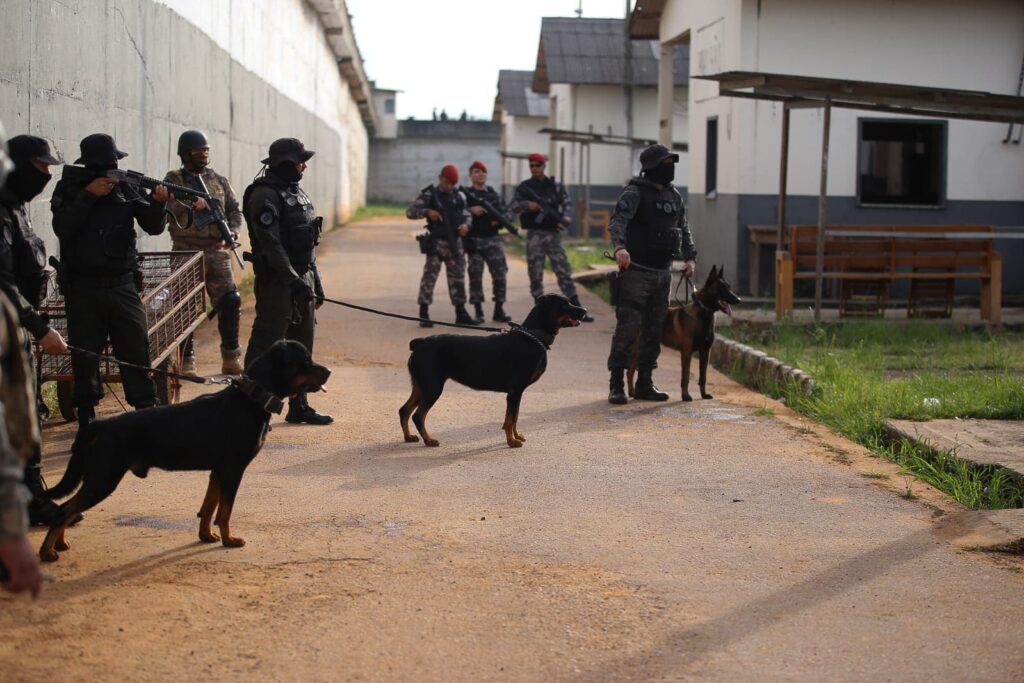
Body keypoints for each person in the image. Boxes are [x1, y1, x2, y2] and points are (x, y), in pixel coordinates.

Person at [50, 134, 170, 429]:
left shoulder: (127, 186)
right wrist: (88, 195)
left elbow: (152, 227)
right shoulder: (70, 188)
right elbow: (63, 227)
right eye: (108, 164)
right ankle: (87, 418)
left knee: (135, 349)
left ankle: (144, 412)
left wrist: (158, 204)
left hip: (121, 284)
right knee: (85, 354)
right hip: (83, 288)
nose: (113, 169)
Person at [0, 134, 68, 526]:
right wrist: (40, 328)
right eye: (41, 166)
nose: (46, 174)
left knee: (26, 415)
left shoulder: (16, 207)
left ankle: (31, 498)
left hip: (16, 327)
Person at [241, 138, 331, 425]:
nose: (304, 166)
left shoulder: (296, 192)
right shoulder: (263, 195)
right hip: (277, 282)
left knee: (302, 344)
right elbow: (271, 245)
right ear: (286, 163)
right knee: (267, 342)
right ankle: (247, 406)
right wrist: (293, 280)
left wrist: (315, 282)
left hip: (302, 277)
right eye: (300, 161)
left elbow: (309, 242)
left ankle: (299, 405)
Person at [606, 144, 697, 404]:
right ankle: (616, 384)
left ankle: (645, 382)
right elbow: (618, 222)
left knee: (654, 330)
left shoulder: (674, 195)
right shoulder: (635, 192)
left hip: (663, 273)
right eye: (665, 163)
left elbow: (684, 228)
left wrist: (690, 257)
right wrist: (620, 248)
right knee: (628, 329)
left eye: (672, 163)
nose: (670, 168)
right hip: (637, 272)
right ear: (652, 167)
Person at [163, 129, 244, 376]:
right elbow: (166, 208)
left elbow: (234, 210)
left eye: (206, 150)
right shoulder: (174, 180)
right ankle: (186, 360)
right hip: (185, 251)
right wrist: (190, 203)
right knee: (184, 306)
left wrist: (233, 232)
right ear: (186, 153)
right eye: (199, 150)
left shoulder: (218, 180)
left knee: (230, 301)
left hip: (216, 251)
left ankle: (231, 357)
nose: (204, 154)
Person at [512, 153, 593, 322]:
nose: (534, 168)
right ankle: (539, 309)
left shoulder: (555, 186)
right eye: (531, 165)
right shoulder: (524, 187)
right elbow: (513, 206)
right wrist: (528, 205)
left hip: (553, 233)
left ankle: (576, 307)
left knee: (563, 269)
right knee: (535, 272)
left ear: (544, 166)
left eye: (538, 165)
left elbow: (567, 204)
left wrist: (565, 219)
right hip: (534, 234)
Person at [406, 164, 478, 327]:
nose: (449, 187)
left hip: (456, 243)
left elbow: (467, 214)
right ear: (440, 178)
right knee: (429, 278)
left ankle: (461, 312)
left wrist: (466, 225)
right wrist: (427, 212)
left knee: (458, 278)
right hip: (437, 243)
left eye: (452, 184)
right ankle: (424, 312)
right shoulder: (430, 195)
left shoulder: (459, 196)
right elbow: (410, 212)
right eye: (447, 183)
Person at [461, 160, 513, 323]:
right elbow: (455, 210)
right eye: (477, 171)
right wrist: (471, 209)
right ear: (470, 175)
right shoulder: (464, 195)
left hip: (493, 240)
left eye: (483, 171)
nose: (480, 174)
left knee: (500, 274)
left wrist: (499, 219)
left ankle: (499, 310)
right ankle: (479, 311)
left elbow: (508, 213)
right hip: (474, 241)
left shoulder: (493, 195)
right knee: (475, 276)